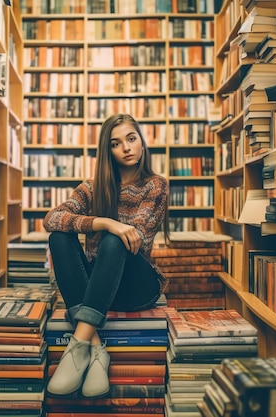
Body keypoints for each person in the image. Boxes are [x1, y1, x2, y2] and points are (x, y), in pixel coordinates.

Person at [43, 113, 170, 398]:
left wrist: (110, 227)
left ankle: (75, 349)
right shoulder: (91, 188)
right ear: (107, 150)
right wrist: (103, 221)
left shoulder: (156, 185)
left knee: (117, 239)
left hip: (137, 286)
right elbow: (51, 218)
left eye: (131, 138)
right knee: (59, 237)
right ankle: (96, 350)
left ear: (141, 142)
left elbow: (133, 238)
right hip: (99, 288)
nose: (126, 147)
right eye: (116, 143)